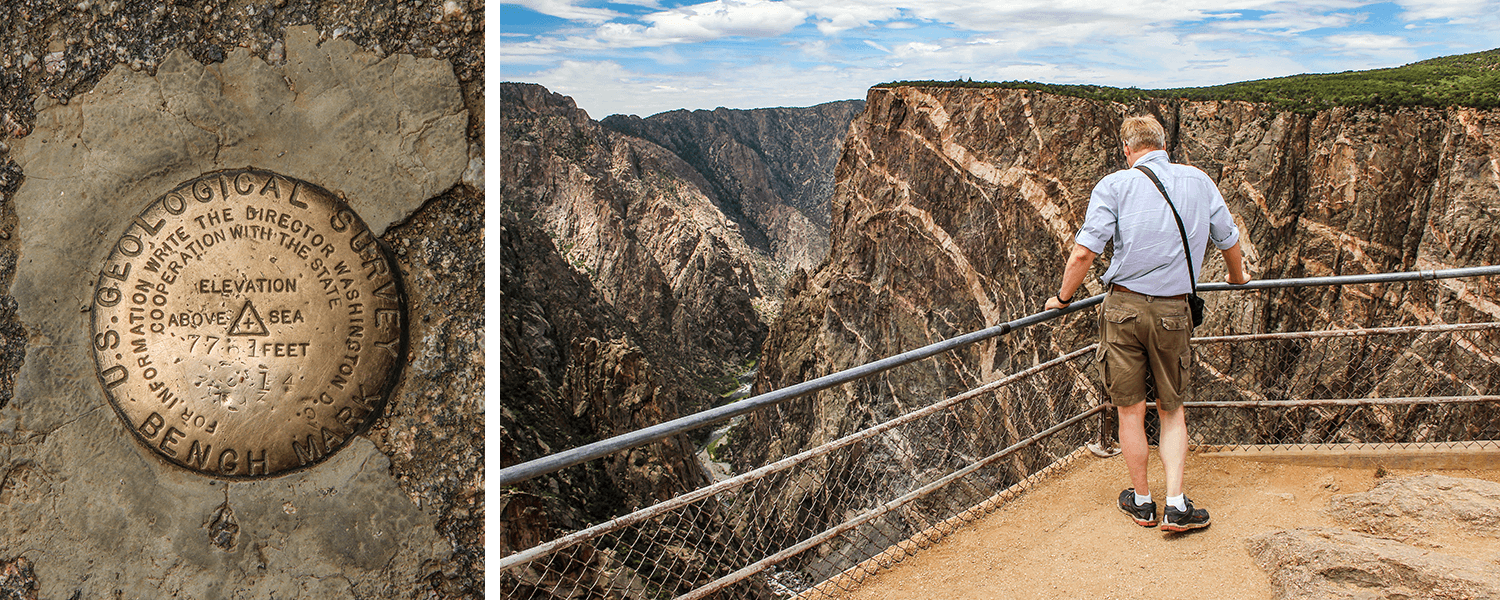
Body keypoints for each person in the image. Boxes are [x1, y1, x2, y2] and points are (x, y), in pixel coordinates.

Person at [1043, 115, 1250, 532]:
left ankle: (1141, 503)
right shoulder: (1198, 181)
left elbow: (1084, 253)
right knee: (1171, 410)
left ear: (1127, 148)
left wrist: (1062, 298)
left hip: (1123, 310)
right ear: (1163, 144)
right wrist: (1236, 277)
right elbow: (1228, 238)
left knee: (1130, 411)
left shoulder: (1114, 185)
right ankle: (1176, 505)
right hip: (1173, 312)